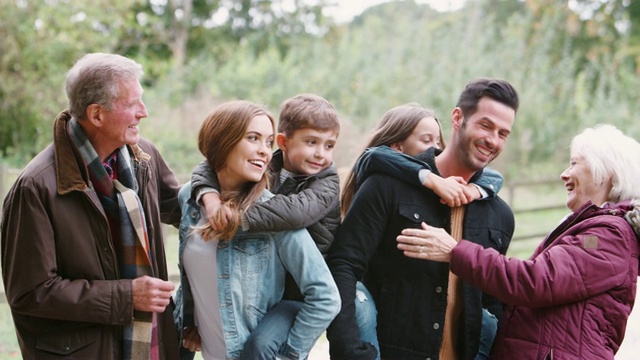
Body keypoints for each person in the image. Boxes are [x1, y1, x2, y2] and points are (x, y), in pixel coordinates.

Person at [399, 124, 640, 359]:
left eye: (575, 163)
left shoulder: (607, 237)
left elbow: (535, 281)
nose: (564, 174)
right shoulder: (597, 232)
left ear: (606, 173)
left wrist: (455, 251)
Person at [0, 53, 182, 359]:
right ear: (96, 115)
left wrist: (217, 190)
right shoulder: (35, 187)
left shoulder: (143, 156)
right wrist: (127, 296)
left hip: (151, 344)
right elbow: (31, 293)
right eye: (132, 103)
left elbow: (182, 208)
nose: (144, 112)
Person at [326, 78, 519, 360]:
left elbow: (492, 302)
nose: (493, 140)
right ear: (457, 118)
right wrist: (351, 352)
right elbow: (343, 266)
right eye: (486, 125)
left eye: (503, 133)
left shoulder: (500, 215)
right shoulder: (386, 187)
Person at [173, 100, 341, 360]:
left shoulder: (274, 214)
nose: (264, 151)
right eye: (254, 138)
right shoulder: (191, 197)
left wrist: (288, 355)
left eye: (268, 142)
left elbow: (326, 297)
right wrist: (191, 321)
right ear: (222, 140)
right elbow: (193, 280)